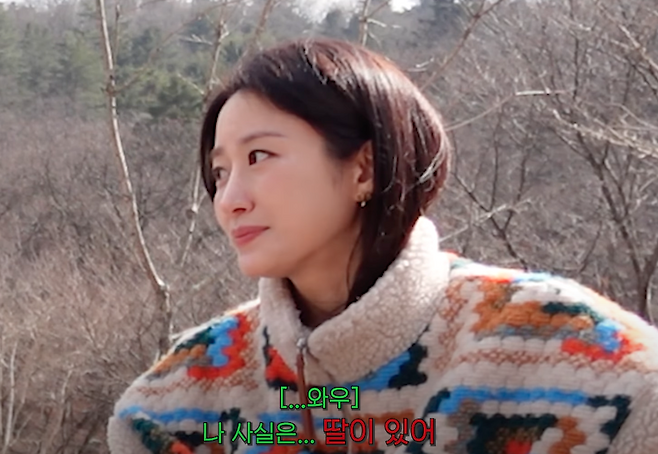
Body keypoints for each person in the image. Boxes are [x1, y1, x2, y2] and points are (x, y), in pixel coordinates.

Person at [107, 38, 658, 454]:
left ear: (365, 168)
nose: (229, 199)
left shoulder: (567, 354)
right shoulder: (182, 403)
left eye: (259, 157)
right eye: (219, 173)